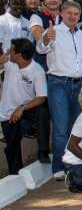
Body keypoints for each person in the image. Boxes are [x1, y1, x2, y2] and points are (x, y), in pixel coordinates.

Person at [36, 0, 82, 180]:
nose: (73, 17)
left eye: (76, 14)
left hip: (78, 84)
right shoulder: (53, 31)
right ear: (62, 14)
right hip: (58, 84)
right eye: (69, 13)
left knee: (75, 127)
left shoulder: (81, 34)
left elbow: (81, 62)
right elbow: (40, 49)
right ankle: (58, 166)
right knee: (61, 127)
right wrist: (46, 38)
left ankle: (71, 163)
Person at [0, 39, 50, 173]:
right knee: (12, 146)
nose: (8, 52)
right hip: (7, 114)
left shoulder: (37, 70)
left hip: (27, 111)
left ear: (19, 55)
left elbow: (41, 97)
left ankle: (43, 150)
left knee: (42, 111)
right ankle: (15, 173)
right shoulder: (9, 63)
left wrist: (22, 108)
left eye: (11, 50)